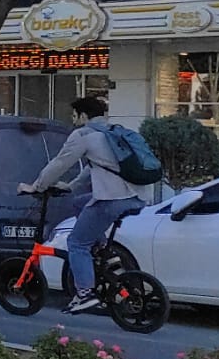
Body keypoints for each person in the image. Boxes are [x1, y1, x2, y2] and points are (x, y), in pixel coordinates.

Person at [21, 95, 146, 315]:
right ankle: (104, 253)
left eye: (74, 115)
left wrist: (37, 186)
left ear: (84, 116)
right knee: (80, 204)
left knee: (77, 243)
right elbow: (96, 167)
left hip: (111, 200)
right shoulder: (113, 132)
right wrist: (71, 186)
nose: (73, 119)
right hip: (135, 197)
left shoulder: (83, 135)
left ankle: (85, 294)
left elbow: (59, 163)